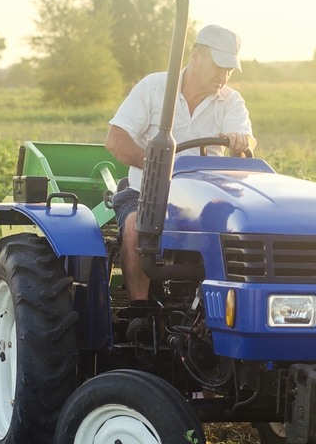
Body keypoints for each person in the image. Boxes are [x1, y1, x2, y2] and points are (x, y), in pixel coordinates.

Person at [105, 24, 256, 307]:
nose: (223, 76)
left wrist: (240, 142)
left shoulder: (230, 101)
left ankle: (225, 309)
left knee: (241, 230)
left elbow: (247, 145)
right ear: (196, 56)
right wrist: (158, 168)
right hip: (146, 192)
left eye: (230, 70)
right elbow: (116, 140)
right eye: (219, 66)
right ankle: (140, 310)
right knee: (135, 226)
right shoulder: (153, 88)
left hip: (202, 199)